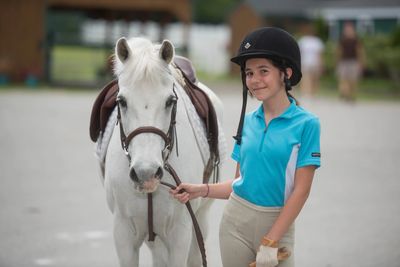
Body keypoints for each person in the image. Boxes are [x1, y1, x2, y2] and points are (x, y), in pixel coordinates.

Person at [170, 27, 321, 267]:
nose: (254, 80)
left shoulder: (307, 125)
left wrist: (271, 242)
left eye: (264, 71)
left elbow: (301, 191)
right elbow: (240, 182)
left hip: (277, 228)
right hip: (235, 224)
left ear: (286, 73)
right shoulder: (248, 120)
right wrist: (200, 189)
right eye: (249, 73)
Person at [336, 21, 364, 101]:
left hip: (353, 62)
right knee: (344, 79)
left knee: (353, 80)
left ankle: (352, 95)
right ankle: (346, 94)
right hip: (344, 62)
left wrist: (361, 63)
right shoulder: (342, 40)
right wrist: (338, 61)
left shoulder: (356, 40)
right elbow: (339, 51)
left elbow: (360, 51)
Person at [298, 25, 324, 96]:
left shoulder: (317, 41)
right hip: (305, 62)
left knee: (314, 79)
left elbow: (319, 54)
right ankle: (305, 92)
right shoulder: (303, 40)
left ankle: (312, 93)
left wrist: (321, 64)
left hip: (314, 63)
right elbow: (300, 53)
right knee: (305, 78)